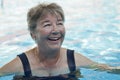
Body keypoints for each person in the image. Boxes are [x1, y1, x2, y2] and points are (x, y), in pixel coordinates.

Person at [0, 2, 120, 80]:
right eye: (47, 24)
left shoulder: (73, 59)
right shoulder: (22, 64)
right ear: (33, 35)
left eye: (59, 23)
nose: (56, 30)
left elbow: (107, 69)